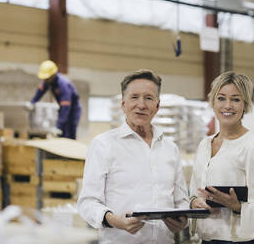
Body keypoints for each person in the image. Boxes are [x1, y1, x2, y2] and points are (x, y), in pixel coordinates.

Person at [78, 69, 189, 244]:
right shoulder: (103, 145)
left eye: (149, 98)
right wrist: (115, 220)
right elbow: (88, 202)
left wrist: (182, 221)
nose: (141, 104)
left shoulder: (170, 148)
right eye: (134, 97)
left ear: (157, 106)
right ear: (123, 104)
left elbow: (181, 201)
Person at [189, 71, 254, 244]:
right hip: (206, 240)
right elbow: (193, 191)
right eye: (221, 98)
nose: (227, 105)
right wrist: (193, 203)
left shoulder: (253, 148)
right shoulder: (204, 145)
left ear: (245, 105)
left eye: (235, 99)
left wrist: (236, 206)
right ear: (213, 102)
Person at [28, 60, 81, 139]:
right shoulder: (49, 81)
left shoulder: (63, 85)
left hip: (72, 111)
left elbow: (65, 108)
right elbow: (40, 91)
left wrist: (58, 126)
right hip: (64, 109)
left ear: (53, 75)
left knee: (68, 134)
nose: (45, 80)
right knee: (61, 134)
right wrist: (32, 102)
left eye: (47, 78)